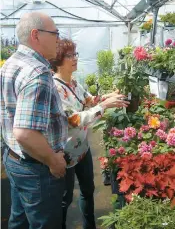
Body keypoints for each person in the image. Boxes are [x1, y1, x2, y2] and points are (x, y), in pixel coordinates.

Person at [50, 39, 129, 229]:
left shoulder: (74, 83)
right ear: (58, 59)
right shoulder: (55, 88)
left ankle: (89, 225)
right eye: (70, 55)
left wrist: (107, 97)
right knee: (65, 199)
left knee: (88, 190)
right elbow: (73, 120)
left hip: (82, 150)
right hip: (66, 154)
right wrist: (103, 106)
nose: (75, 58)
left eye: (75, 54)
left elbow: (88, 100)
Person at [0, 12, 68, 229]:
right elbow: (25, 133)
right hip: (36, 169)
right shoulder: (37, 72)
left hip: (14, 160)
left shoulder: (11, 63)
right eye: (55, 33)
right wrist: (53, 160)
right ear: (35, 35)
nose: (58, 38)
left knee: (18, 220)